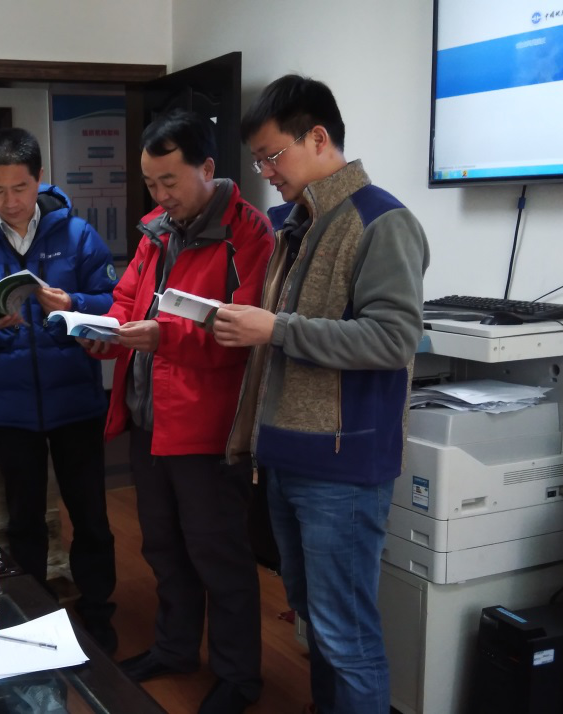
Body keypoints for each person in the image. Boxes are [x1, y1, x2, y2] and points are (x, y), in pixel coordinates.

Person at [213, 75, 431, 714]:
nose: (265, 172)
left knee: (345, 634)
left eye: (272, 156)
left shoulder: (381, 221)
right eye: (258, 160)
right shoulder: (294, 224)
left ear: (317, 137)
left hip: (342, 467)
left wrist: (274, 328)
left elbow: (393, 339)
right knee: (314, 621)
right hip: (286, 455)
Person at [80, 108, 273, 714]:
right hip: (149, 417)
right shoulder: (156, 232)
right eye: (150, 183)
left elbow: (240, 335)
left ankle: (239, 676)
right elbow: (126, 299)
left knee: (219, 555)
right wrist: (105, 330)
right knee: (162, 547)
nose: (160, 195)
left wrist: (163, 338)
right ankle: (175, 648)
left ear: (207, 168)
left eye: (170, 181)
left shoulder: (249, 235)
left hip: (207, 428)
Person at [0, 127, 119, 651]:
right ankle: (32, 615)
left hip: (76, 401)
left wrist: (74, 304)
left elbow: (114, 304)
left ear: (39, 179)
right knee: (24, 520)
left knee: (90, 515)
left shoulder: (78, 236)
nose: (10, 201)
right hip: (10, 406)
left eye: (19, 188)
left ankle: (98, 614)